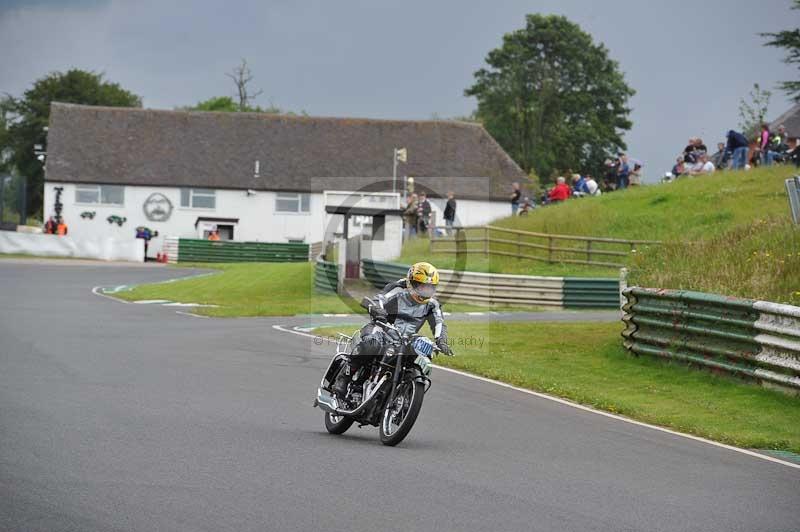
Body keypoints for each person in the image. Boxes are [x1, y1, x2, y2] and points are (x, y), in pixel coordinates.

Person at [332, 262, 450, 398]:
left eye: (429, 287)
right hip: (382, 329)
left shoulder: (432, 304)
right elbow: (378, 299)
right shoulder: (398, 289)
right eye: (422, 286)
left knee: (423, 351)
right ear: (411, 282)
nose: (425, 291)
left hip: (404, 339)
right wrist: (376, 309)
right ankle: (344, 378)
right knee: (372, 345)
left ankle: (404, 390)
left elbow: (439, 323)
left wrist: (442, 340)